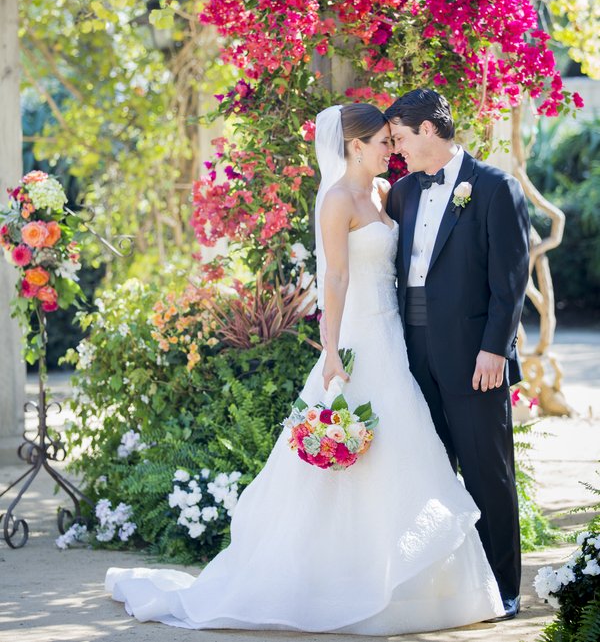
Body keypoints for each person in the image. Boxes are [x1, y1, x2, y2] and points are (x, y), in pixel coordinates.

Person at [105, 103, 504, 633]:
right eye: (383, 142)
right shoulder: (337, 200)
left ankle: (413, 583)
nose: (392, 150)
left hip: (397, 337)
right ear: (354, 146)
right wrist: (332, 348)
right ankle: (336, 581)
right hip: (360, 336)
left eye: (394, 140)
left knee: (405, 452)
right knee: (363, 453)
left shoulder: (389, 194)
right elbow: (334, 280)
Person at [384, 88, 530, 622]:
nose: (396, 149)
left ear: (427, 131)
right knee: (428, 470)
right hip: (412, 354)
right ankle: (446, 587)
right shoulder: (400, 193)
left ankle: (502, 591)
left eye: (400, 137)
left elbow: (511, 279)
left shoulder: (494, 187)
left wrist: (496, 347)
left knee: (487, 471)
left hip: (475, 358)